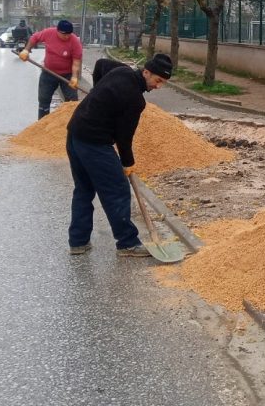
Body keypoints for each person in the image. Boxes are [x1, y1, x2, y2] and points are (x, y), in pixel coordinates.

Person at [65, 54, 173, 257]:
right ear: (146, 72)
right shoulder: (135, 99)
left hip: (75, 133)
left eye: (163, 83)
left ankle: (78, 242)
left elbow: (100, 64)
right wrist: (128, 163)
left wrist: (98, 94)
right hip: (94, 142)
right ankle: (127, 243)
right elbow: (124, 137)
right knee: (118, 190)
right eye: (158, 80)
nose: (159, 86)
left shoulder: (121, 70)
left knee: (84, 189)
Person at [19, 19, 83, 119]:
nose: (66, 37)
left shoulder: (75, 42)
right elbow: (34, 38)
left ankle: (69, 126)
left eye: (68, 34)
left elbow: (76, 63)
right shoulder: (49, 33)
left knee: (72, 101)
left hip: (67, 75)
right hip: (48, 72)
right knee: (44, 99)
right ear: (58, 31)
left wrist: (74, 77)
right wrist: (26, 50)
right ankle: (42, 124)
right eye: (64, 34)